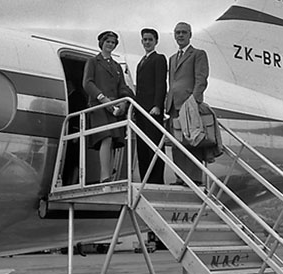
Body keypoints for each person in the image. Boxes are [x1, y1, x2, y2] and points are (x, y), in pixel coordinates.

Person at [82, 30, 134, 183]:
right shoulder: (93, 62)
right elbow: (87, 82)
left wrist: (124, 101)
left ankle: (108, 175)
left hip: (114, 107)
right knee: (106, 137)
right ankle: (105, 176)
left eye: (113, 43)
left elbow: (123, 87)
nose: (110, 45)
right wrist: (102, 98)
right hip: (99, 106)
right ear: (101, 43)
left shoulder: (117, 66)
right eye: (108, 42)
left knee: (112, 141)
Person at [165, 22, 209, 185]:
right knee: (177, 143)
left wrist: (195, 101)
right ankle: (180, 177)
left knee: (192, 140)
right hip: (173, 105)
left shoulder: (198, 54)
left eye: (184, 32)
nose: (180, 35)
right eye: (177, 33)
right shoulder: (172, 58)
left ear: (190, 35)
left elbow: (201, 79)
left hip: (189, 105)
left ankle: (195, 178)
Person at [135, 28, 167, 184]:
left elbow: (161, 84)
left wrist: (157, 105)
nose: (147, 42)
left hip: (152, 110)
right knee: (142, 146)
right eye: (145, 40)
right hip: (141, 110)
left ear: (156, 42)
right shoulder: (141, 62)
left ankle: (156, 180)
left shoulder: (158, 58)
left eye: (150, 39)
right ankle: (145, 179)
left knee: (154, 145)